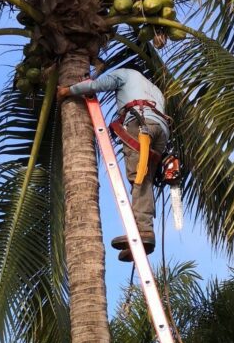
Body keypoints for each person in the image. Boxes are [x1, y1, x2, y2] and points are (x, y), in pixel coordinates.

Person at [58, 61, 169, 260]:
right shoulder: (155, 90)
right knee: (145, 179)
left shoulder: (124, 73)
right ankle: (142, 232)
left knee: (138, 177)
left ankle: (143, 230)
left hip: (141, 123)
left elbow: (95, 86)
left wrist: (68, 90)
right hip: (161, 131)